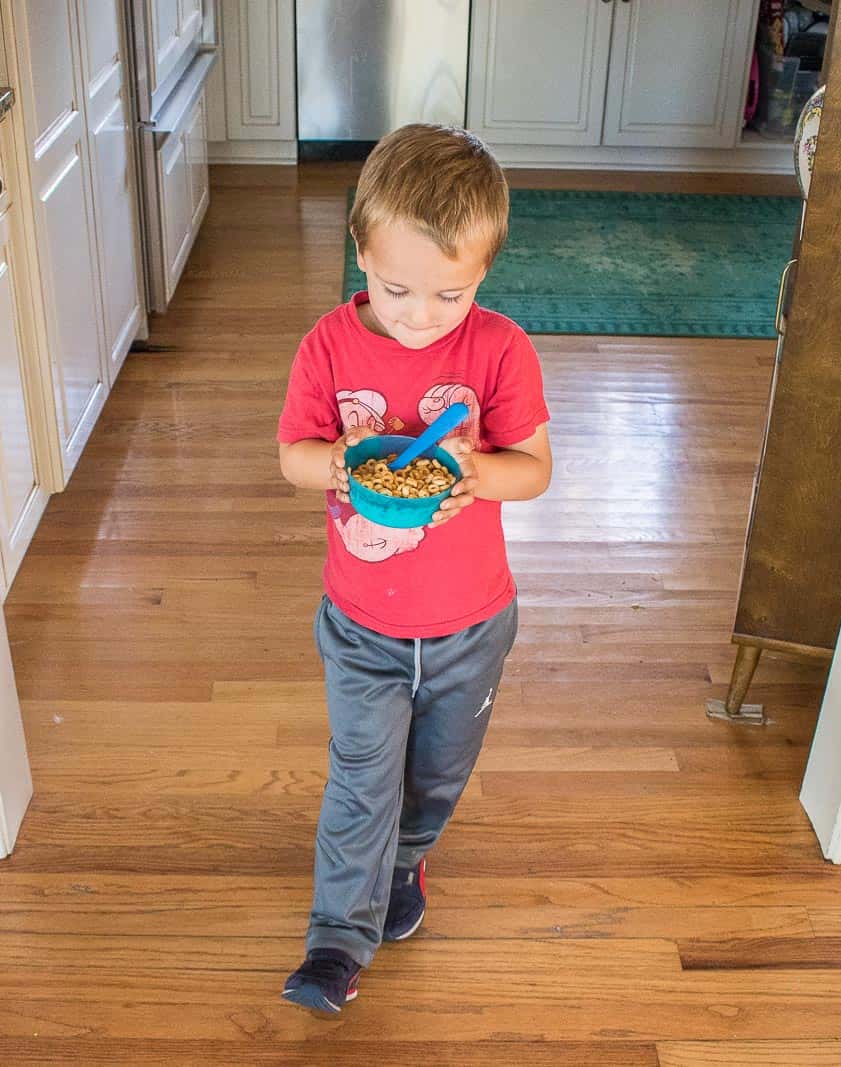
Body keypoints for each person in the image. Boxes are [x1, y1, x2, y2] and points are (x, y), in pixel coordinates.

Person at [275, 123, 553, 1014]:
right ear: (360, 250)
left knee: (432, 778)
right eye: (396, 288)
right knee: (363, 774)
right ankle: (335, 941)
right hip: (361, 622)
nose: (420, 314)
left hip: (472, 623)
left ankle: (403, 861)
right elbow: (293, 455)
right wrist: (339, 462)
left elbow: (535, 467)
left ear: (485, 274)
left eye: (450, 292)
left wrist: (479, 472)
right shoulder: (327, 346)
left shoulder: (501, 350)